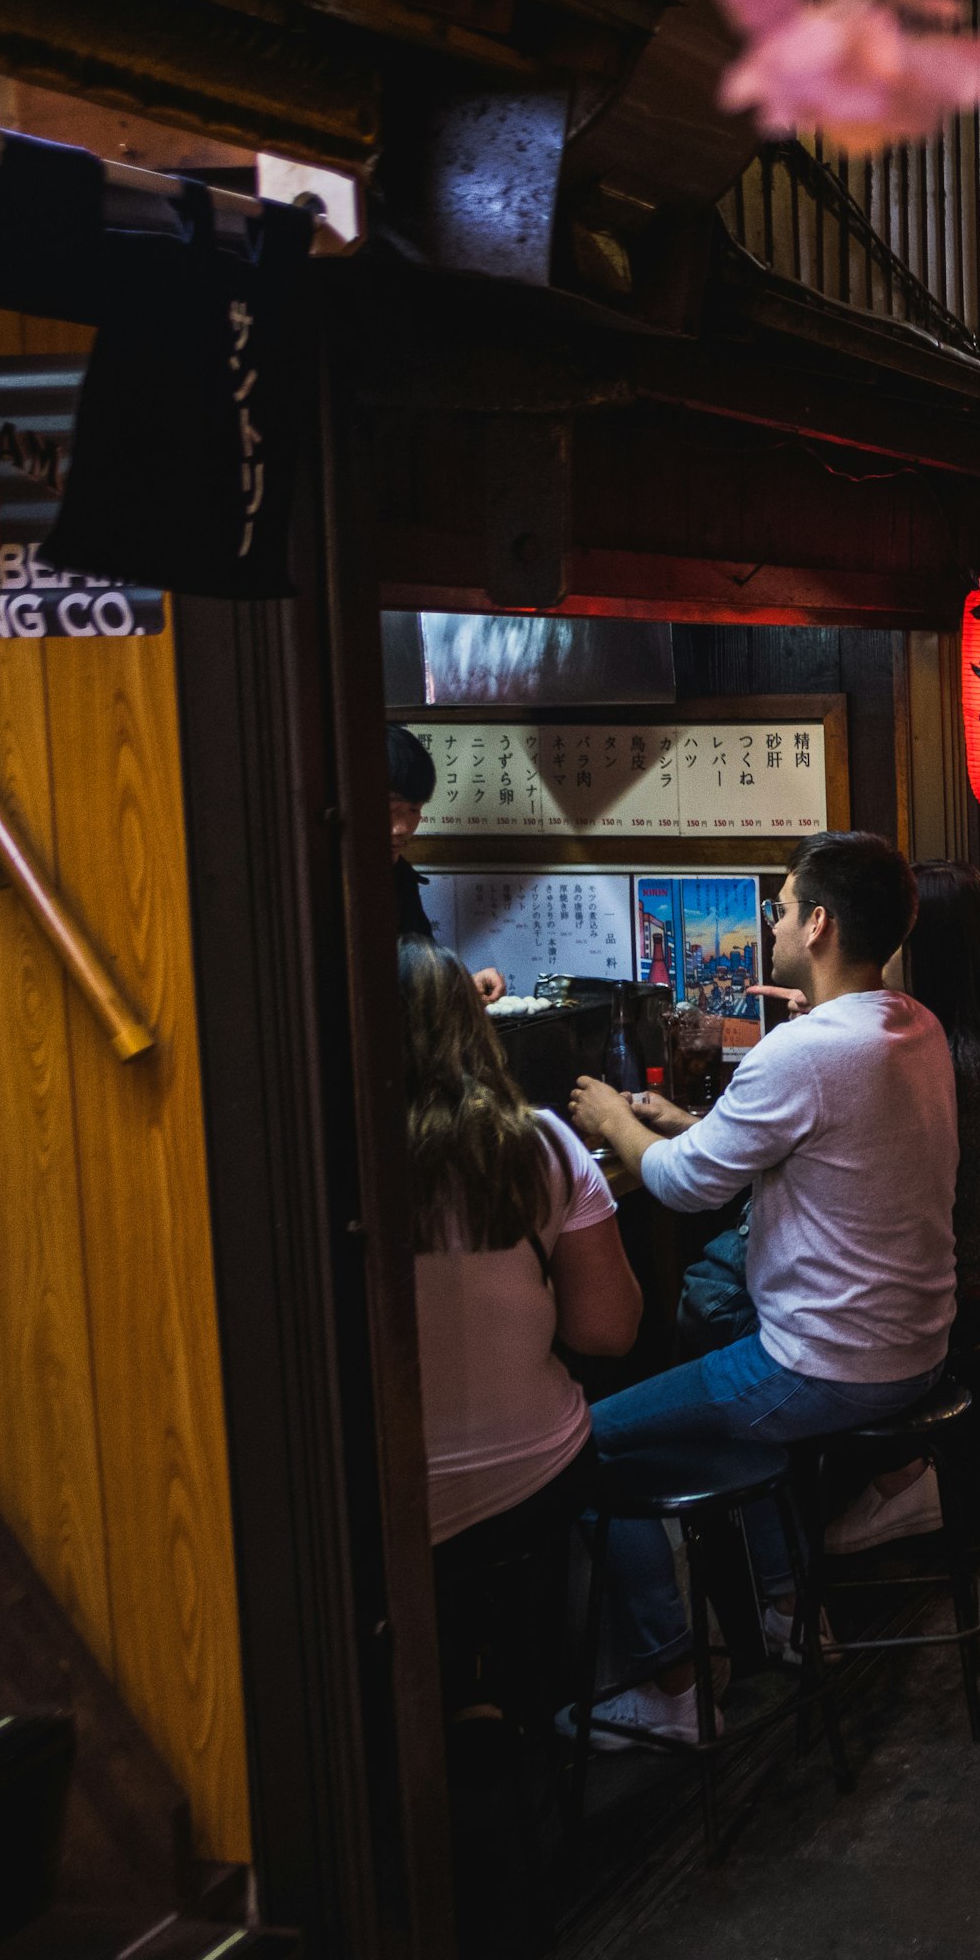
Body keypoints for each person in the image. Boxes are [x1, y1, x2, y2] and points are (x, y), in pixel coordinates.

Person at [566, 831, 955, 1748]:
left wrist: (616, 1118)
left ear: (817, 924)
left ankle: (669, 1683)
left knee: (581, 1449)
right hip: (918, 1349)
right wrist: (696, 1123)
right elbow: (810, 1144)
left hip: (827, 1368)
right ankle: (787, 1617)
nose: (774, 924)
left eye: (782, 908)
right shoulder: (914, 1024)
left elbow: (681, 1185)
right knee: (722, 1337)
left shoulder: (806, 1053)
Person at [402, 938, 642, 1723]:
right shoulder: (540, 1141)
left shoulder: (310, 1154)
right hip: (534, 1480)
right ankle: (534, 1704)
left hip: (381, 1507)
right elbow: (609, 1331)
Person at [800, 857, 980, 1558]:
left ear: (925, 946)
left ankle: (896, 1483)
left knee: (796, 1316)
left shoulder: (939, 1054)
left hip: (966, 1285)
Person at [387, 726, 506, 1001]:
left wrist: (462, 987)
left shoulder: (401, 878)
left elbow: (415, 974)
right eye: (390, 809)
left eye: (414, 810)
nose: (403, 828)